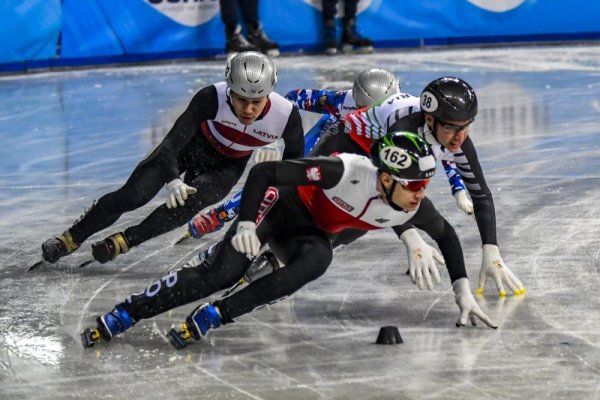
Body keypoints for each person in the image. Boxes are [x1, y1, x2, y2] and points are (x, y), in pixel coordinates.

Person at [81, 132, 496, 349]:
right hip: (278, 206)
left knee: (318, 260)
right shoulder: (344, 170)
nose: (422, 193)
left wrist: (462, 290)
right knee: (221, 272)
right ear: (385, 177)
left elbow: (446, 235)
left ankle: (217, 315)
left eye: (425, 183)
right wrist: (246, 223)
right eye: (414, 184)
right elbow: (266, 174)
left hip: (307, 234)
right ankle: (128, 312)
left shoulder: (409, 206)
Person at [40, 52, 305, 266]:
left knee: (190, 205)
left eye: (256, 102)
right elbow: (171, 143)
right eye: (241, 100)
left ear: (269, 94)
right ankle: (70, 238)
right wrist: (172, 179)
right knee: (134, 195)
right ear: (229, 92)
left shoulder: (285, 117)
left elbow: (295, 168)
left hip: (227, 165)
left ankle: (125, 241)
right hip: (190, 148)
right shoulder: (210, 97)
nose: (248, 109)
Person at [308, 76, 525, 297]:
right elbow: (392, 190)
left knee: (348, 229)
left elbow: (481, 195)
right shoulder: (404, 126)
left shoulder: (456, 140)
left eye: (467, 126)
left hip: (377, 156)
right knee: (317, 207)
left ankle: (291, 256)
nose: (460, 137)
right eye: (451, 128)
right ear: (430, 120)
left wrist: (492, 251)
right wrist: (411, 237)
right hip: (345, 143)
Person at [185, 67, 403, 238]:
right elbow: (292, 99)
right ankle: (222, 214)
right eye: (363, 111)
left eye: (380, 114)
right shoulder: (341, 101)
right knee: (284, 178)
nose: (370, 119)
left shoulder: (407, 116)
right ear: (354, 102)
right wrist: (271, 133)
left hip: (370, 153)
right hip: (333, 140)